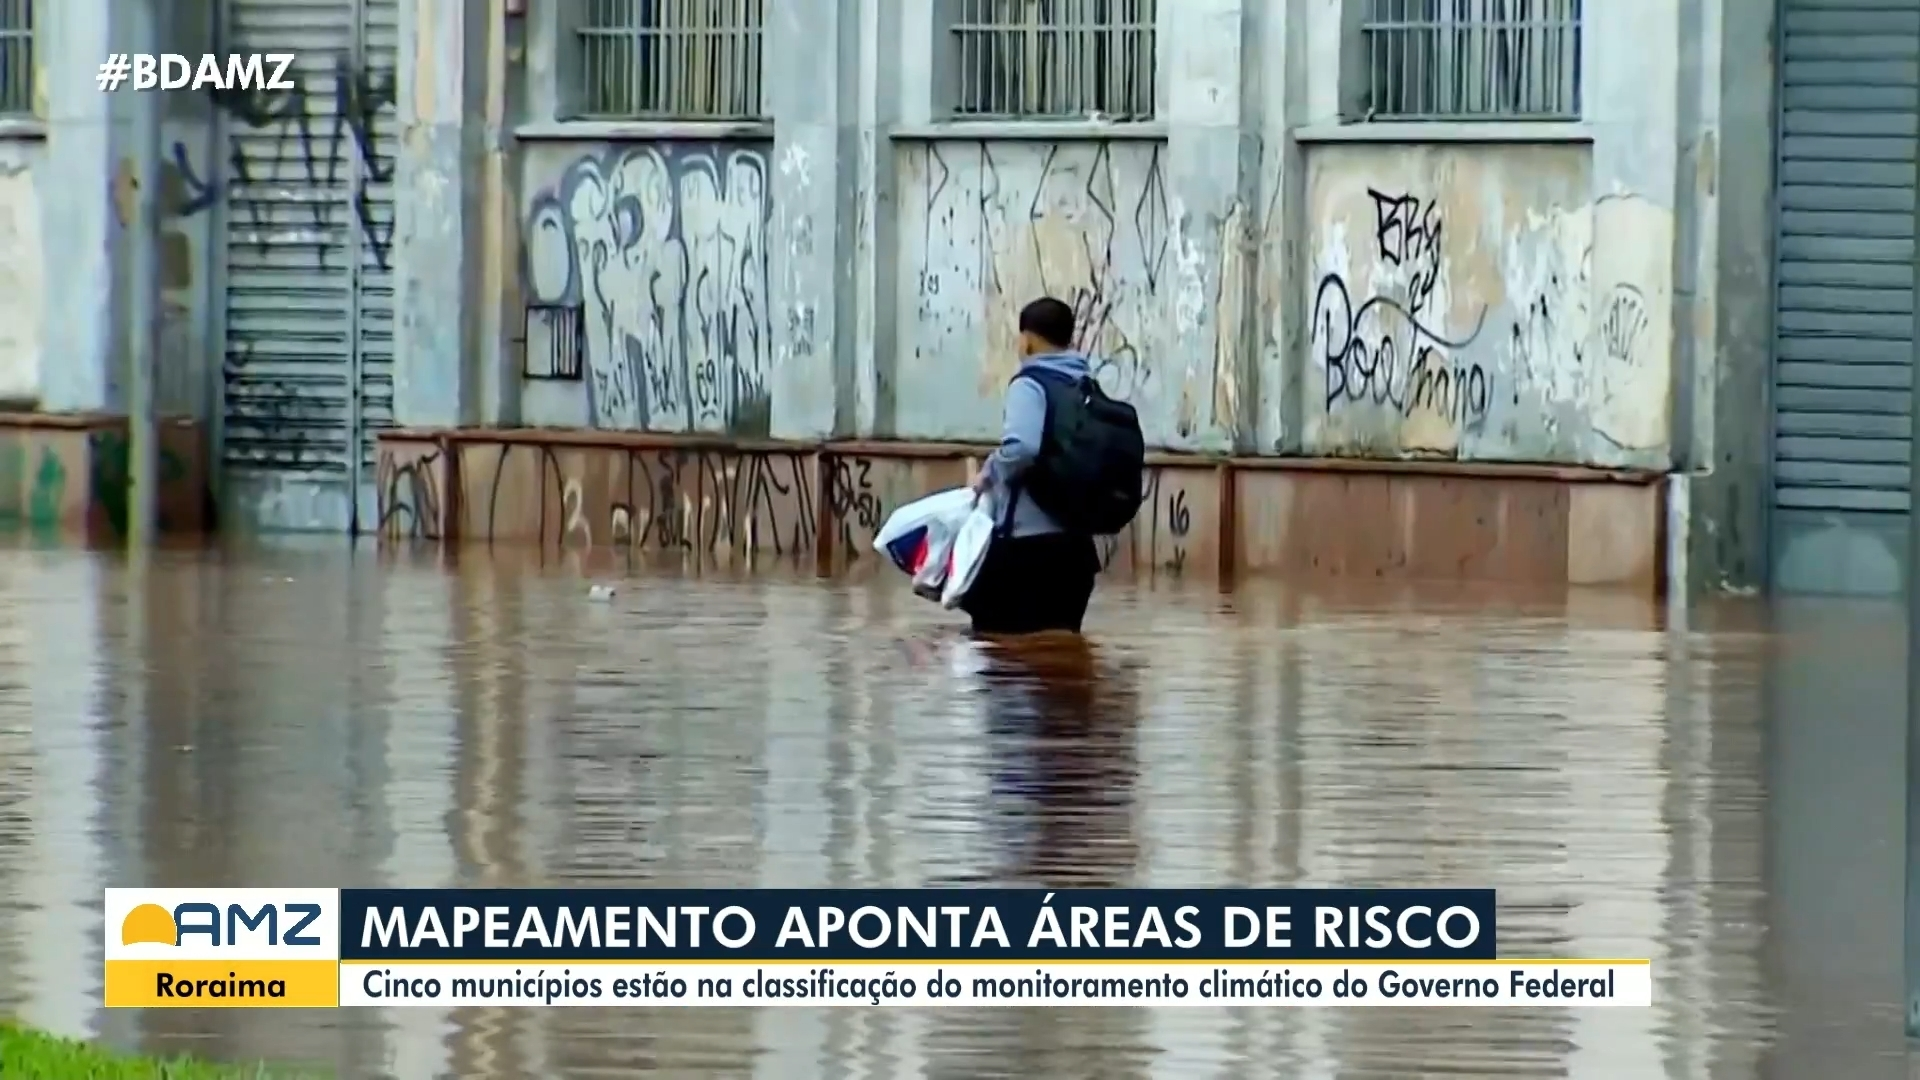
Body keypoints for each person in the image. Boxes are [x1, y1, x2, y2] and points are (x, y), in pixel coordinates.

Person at [961, 297, 1106, 636]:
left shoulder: (1030, 384)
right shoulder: (1087, 385)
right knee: (1060, 669)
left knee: (998, 659)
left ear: (1027, 338)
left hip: (1026, 551)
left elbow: (1022, 448)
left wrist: (988, 473)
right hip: (1077, 554)